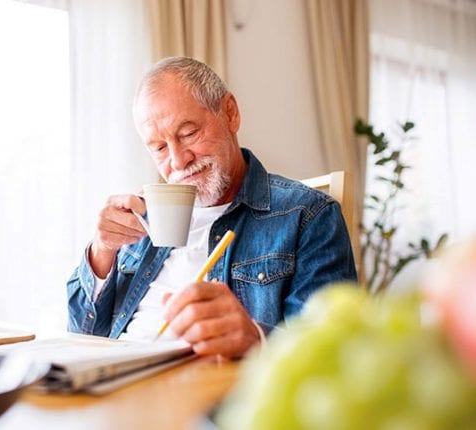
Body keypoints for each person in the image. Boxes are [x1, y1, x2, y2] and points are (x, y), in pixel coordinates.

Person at [66, 57, 357, 358]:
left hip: (211, 394)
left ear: (229, 113)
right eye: (160, 148)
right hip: (118, 383)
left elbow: (333, 352)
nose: (178, 161)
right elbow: (80, 336)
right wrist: (102, 252)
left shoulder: (307, 214)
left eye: (189, 133)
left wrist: (256, 340)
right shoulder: (143, 218)